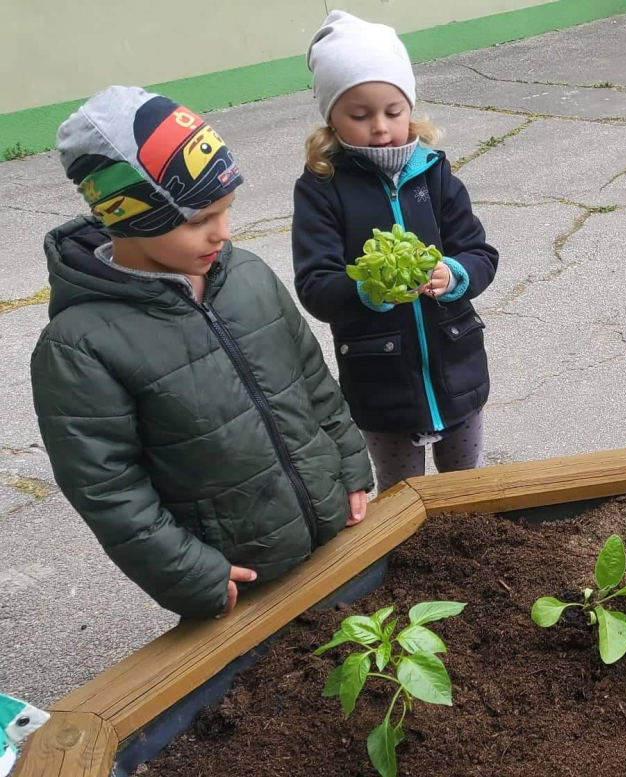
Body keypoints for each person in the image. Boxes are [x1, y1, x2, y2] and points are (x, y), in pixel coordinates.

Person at [32, 86, 372, 619]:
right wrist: (190, 572)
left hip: (333, 528)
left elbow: (312, 380)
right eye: (198, 220)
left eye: (226, 211)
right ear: (130, 217)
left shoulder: (248, 275)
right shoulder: (79, 346)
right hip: (240, 575)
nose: (223, 233)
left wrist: (350, 466)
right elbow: (107, 487)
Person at [293, 11, 499, 489]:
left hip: (457, 368)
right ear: (331, 117)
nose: (381, 127)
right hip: (381, 381)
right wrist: (367, 290)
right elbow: (315, 285)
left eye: (393, 110)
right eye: (359, 115)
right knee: (402, 495)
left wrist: (455, 274)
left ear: (410, 106)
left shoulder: (434, 172)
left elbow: (480, 253)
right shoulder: (322, 188)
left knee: (466, 489)